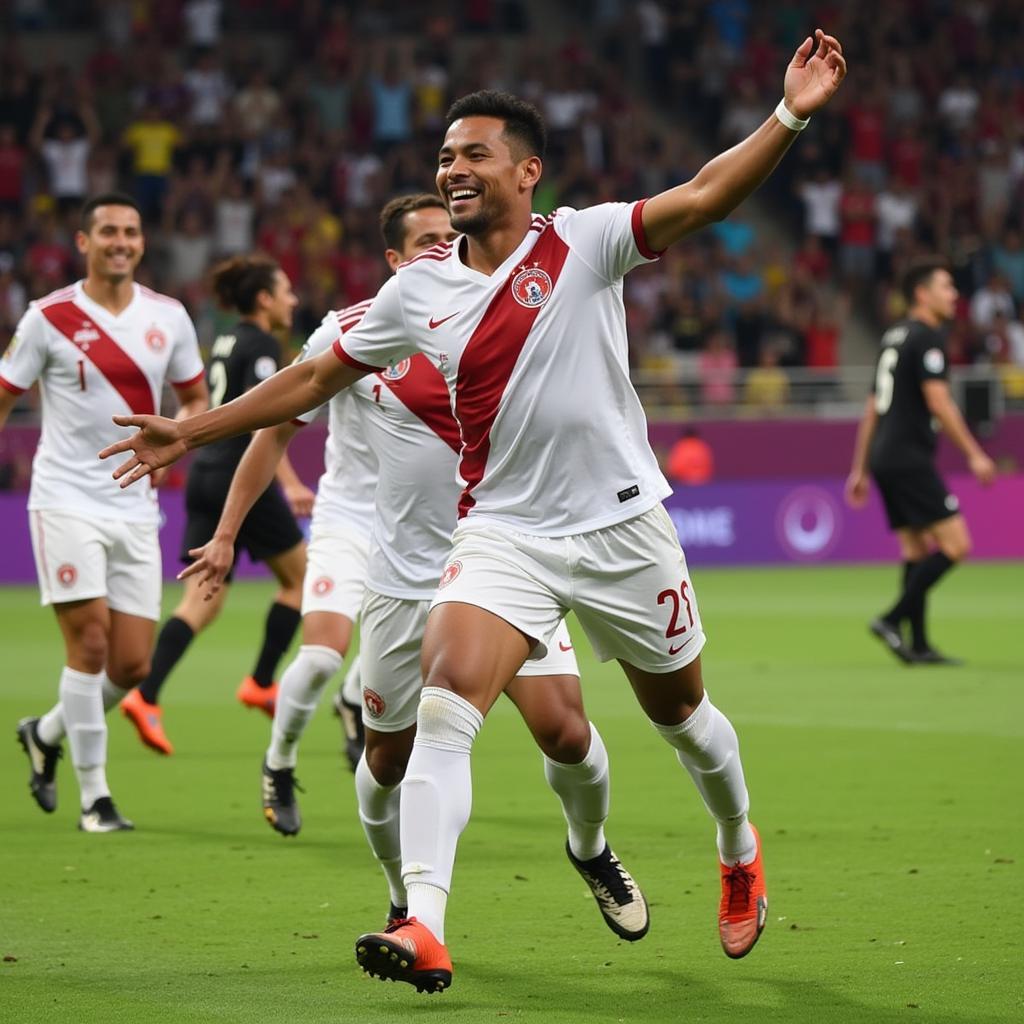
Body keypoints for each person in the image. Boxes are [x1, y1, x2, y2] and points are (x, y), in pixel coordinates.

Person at [101, 31, 847, 984]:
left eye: (474, 154)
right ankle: (426, 922)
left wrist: (788, 115)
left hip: (620, 523)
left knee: (682, 716)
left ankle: (738, 847)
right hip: (504, 532)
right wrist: (188, 431)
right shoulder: (418, 288)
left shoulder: (585, 241)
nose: (453, 169)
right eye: (445, 156)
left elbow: (705, 195)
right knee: (448, 704)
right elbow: (312, 378)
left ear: (526, 170)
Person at [183, 196, 649, 969]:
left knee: (567, 732)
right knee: (386, 763)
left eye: (453, 233)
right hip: (402, 583)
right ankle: (403, 898)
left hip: (509, 558)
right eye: (431, 240)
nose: (451, 245)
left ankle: (591, 847)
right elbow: (276, 426)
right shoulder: (357, 335)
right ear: (399, 262)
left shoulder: (524, 321)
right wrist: (228, 530)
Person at [2, 192, 206, 831]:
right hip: (64, 499)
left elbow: (196, 398)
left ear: (143, 243)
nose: (121, 241)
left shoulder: (168, 317)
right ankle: (96, 798)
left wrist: (175, 444)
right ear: (84, 243)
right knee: (88, 643)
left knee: (132, 665)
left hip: (135, 504)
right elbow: (5, 395)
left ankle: (46, 732)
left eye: (132, 231)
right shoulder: (48, 317)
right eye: (109, 231)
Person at [119, 255, 313, 756]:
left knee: (202, 600)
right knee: (302, 581)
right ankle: (263, 680)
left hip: (204, 472)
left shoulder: (225, 340)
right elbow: (268, 417)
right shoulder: (265, 345)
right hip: (238, 472)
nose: (293, 299)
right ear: (265, 299)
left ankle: (146, 694)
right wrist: (287, 481)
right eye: (286, 289)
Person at [845, 258, 996, 664]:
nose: (954, 295)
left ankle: (921, 645)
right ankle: (892, 619)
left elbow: (873, 404)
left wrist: (860, 466)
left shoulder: (893, 336)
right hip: (909, 456)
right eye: (946, 287)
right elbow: (940, 402)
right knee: (957, 545)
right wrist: (975, 454)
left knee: (915, 549)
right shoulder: (928, 337)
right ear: (922, 294)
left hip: (885, 456)